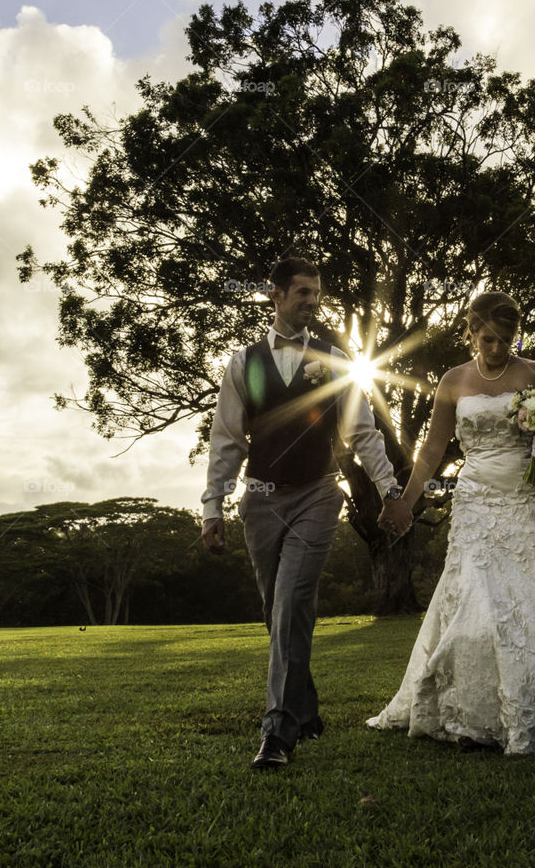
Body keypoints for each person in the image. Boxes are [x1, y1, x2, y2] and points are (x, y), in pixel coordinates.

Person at [371, 292, 535, 755]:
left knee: (533, 595)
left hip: (528, 496)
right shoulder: (453, 381)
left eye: (506, 339)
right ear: (471, 333)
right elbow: (433, 450)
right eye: (488, 339)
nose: (497, 348)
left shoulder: (534, 374)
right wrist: (406, 503)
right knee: (478, 596)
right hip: (476, 498)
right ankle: (473, 711)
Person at [201, 256, 404, 770]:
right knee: (278, 613)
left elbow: (362, 433)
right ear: (275, 294)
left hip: (317, 496)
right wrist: (213, 507)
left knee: (290, 604)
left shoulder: (336, 360)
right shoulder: (242, 363)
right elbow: (227, 439)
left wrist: (389, 488)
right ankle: (306, 710)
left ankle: (278, 732)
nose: (312, 302)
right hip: (261, 501)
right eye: (302, 294)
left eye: (316, 294)